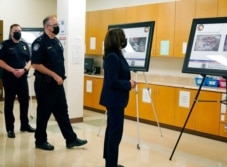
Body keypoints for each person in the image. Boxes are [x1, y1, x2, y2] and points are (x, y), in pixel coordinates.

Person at [31, 15, 87, 151]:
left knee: (63, 112)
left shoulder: (56, 42)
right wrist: (54, 75)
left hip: (57, 85)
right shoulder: (39, 43)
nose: (57, 27)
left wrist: (58, 77)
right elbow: (35, 64)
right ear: (47, 27)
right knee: (44, 114)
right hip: (45, 85)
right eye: (55, 25)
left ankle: (71, 139)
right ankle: (40, 140)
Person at [99, 28, 136, 167]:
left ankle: (110, 162)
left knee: (112, 131)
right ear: (117, 39)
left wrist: (128, 82)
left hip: (116, 100)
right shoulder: (112, 57)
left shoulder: (116, 54)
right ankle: (111, 164)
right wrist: (128, 84)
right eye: (123, 37)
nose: (125, 40)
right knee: (115, 134)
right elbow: (112, 81)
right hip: (114, 100)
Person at [0, 24, 36, 138]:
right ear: (11, 33)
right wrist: (12, 70)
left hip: (22, 78)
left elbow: (30, 60)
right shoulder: (4, 45)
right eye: (16, 30)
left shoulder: (24, 45)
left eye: (19, 30)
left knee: (24, 102)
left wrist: (24, 69)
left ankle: (24, 125)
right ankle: (10, 128)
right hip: (9, 79)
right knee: (9, 104)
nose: (18, 32)